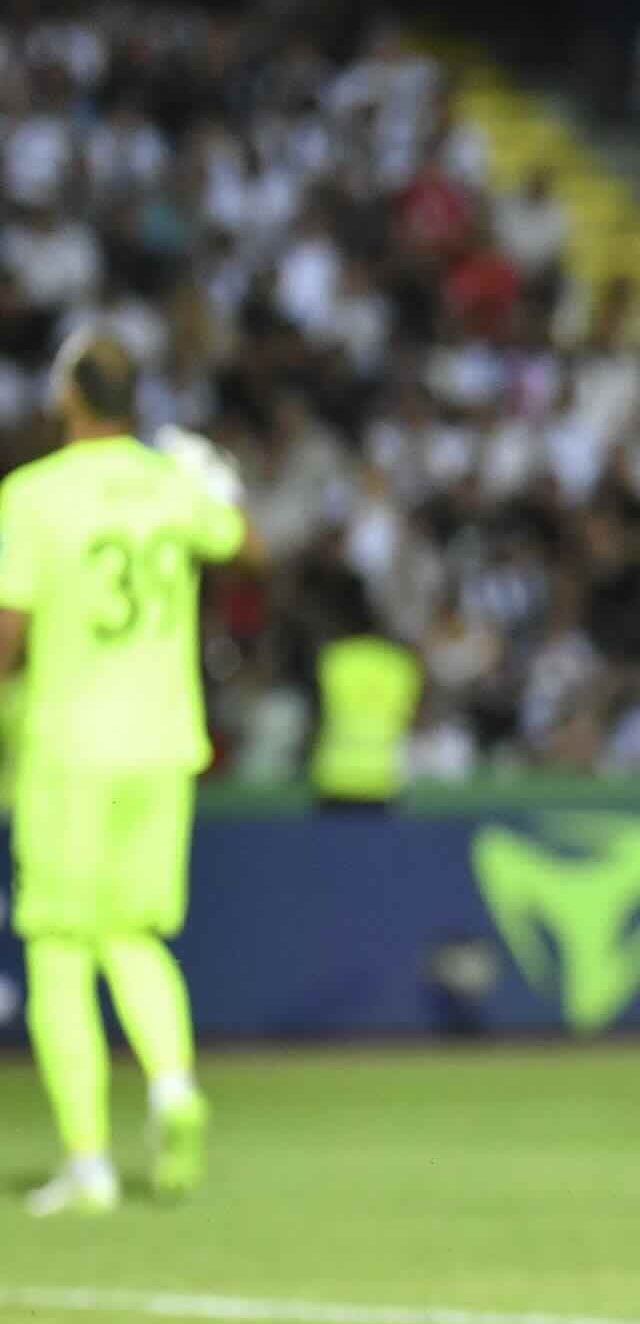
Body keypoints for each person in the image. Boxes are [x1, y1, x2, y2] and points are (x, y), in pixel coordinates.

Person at [0, 333, 254, 1215]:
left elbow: (8, 634)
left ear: (68, 396)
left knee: (59, 947)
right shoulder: (168, 486)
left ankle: (89, 1160)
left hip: (70, 747)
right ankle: (175, 1089)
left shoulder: (34, 496)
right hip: (164, 743)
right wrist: (213, 478)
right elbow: (237, 540)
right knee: (136, 936)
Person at [310, 571, 423, 815]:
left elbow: (315, 716)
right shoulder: (401, 663)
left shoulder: (333, 660)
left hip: (335, 778)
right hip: (385, 780)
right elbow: (415, 718)